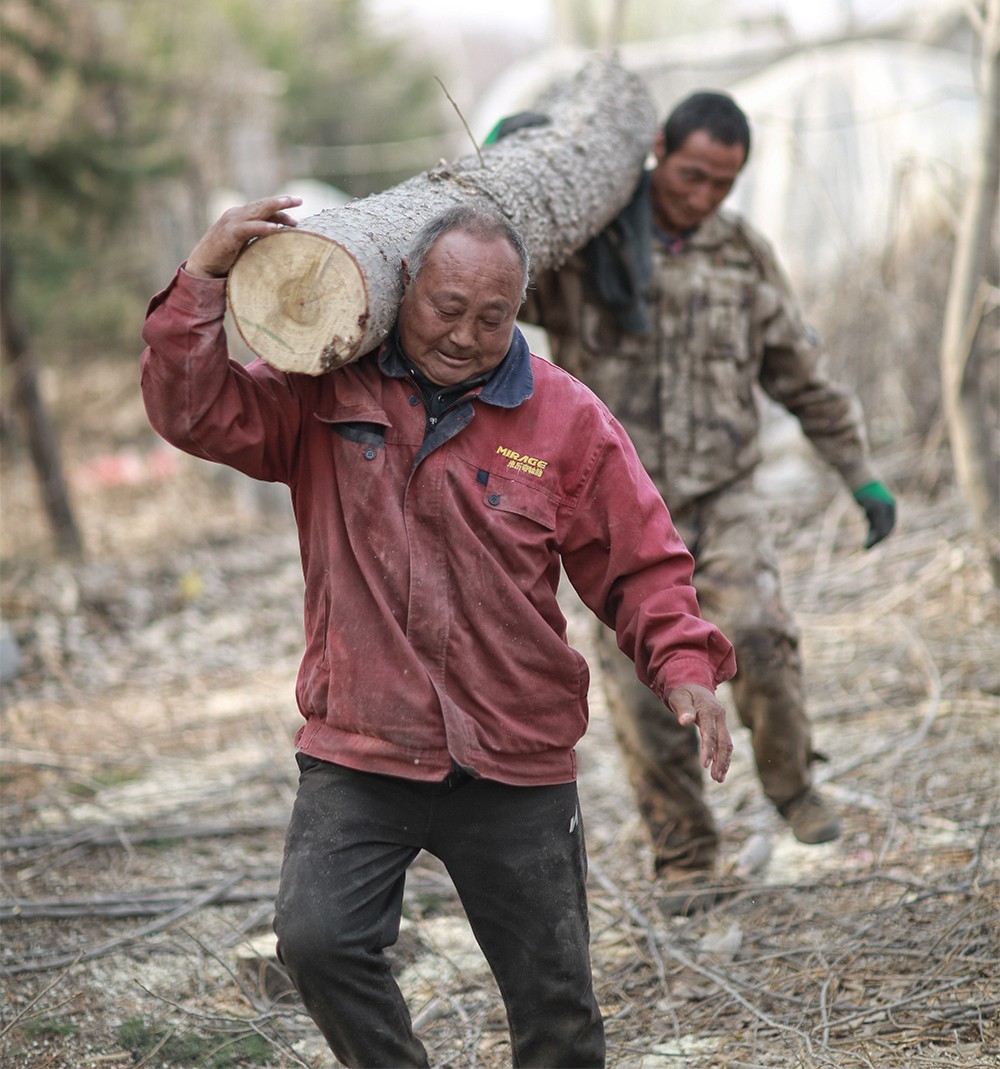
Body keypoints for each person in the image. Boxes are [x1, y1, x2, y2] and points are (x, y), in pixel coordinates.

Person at [140, 196, 737, 1067]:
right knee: (317, 942)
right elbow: (191, 407)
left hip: (514, 751)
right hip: (363, 741)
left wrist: (684, 662)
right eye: (446, 308)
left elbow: (639, 559)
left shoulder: (564, 419)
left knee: (558, 1016)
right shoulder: (325, 387)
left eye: (492, 317)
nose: (464, 333)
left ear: (519, 312)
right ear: (402, 286)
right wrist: (203, 274)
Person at [519, 90, 896, 911]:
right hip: (613, 505)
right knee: (637, 679)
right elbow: (500, 282)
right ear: (658, 149)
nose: (703, 197)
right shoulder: (592, 244)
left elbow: (800, 367)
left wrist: (858, 471)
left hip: (723, 493)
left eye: (723, 184)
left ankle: (794, 787)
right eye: (691, 176)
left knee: (759, 631)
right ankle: (686, 854)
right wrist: (506, 164)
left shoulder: (741, 255)